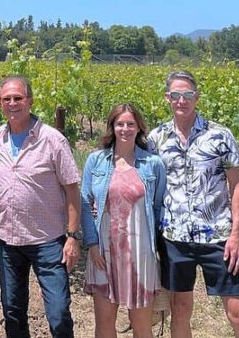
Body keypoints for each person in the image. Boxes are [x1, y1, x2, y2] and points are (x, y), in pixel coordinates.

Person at [147, 70, 239, 338]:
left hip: (218, 235)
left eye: (187, 95)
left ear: (196, 97)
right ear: (167, 98)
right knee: (180, 309)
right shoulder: (156, 139)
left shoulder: (220, 136)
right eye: (175, 95)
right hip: (174, 239)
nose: (181, 100)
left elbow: (237, 186)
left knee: (238, 311)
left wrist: (236, 235)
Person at [0, 76, 81, 338]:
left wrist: (73, 236)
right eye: (7, 99)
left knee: (59, 313)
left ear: (29, 100)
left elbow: (72, 190)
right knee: (12, 312)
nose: (12, 103)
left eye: (18, 98)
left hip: (48, 242)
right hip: (7, 241)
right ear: (0, 104)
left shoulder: (52, 139)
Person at [81, 103, 166, 338]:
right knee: (105, 325)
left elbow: (158, 208)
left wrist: (157, 249)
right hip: (104, 253)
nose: (125, 129)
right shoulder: (96, 162)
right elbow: (85, 203)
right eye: (120, 124)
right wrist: (93, 244)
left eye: (130, 124)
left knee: (141, 326)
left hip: (140, 254)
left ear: (139, 127)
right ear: (112, 127)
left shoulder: (153, 165)